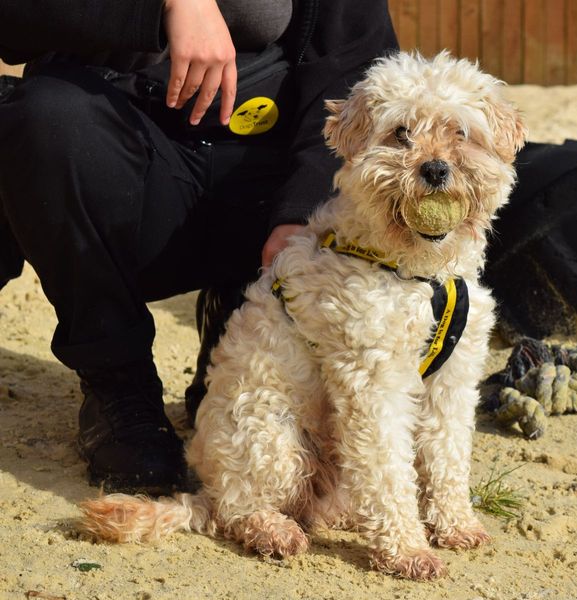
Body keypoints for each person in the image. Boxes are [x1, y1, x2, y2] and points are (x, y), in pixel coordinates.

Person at [0, 0, 398, 494]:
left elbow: (359, 63)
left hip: (264, 175)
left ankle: (236, 327)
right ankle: (120, 390)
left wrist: (300, 210)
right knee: (46, 116)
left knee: (379, 164)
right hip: (114, 160)